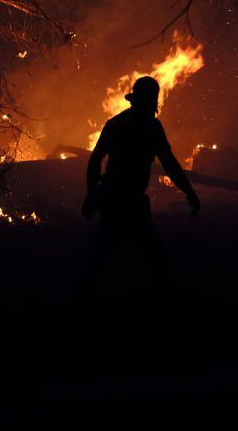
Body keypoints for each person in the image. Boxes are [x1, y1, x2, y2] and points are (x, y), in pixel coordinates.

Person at [74, 76, 200, 293]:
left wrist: (93, 195)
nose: (154, 107)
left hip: (117, 200)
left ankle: (80, 298)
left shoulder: (118, 124)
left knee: (105, 256)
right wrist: (189, 193)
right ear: (147, 101)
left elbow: (95, 161)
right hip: (126, 201)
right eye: (152, 102)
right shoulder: (150, 127)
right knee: (152, 258)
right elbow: (169, 164)